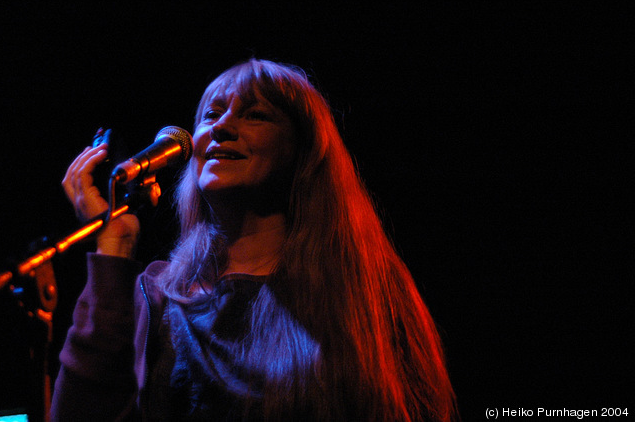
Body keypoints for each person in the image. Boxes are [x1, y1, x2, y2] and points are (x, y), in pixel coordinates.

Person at [52, 59, 458, 421]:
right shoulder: (157, 296)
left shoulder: (362, 287)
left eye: (255, 115)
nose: (221, 128)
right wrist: (114, 247)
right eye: (211, 114)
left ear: (302, 152)